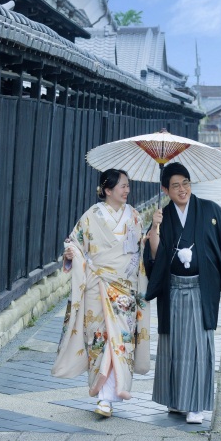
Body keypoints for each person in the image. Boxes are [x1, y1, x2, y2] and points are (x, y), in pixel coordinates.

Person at [144, 163, 221, 424]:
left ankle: (197, 405)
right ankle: (176, 401)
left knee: (200, 346)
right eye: (175, 185)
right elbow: (154, 256)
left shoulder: (210, 210)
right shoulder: (162, 216)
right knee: (174, 346)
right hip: (173, 289)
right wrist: (154, 228)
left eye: (186, 183)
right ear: (165, 189)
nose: (182, 189)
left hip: (202, 289)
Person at [51, 169, 150, 418]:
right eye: (123, 186)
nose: (127, 190)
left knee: (120, 339)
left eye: (128, 186)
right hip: (97, 286)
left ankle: (109, 396)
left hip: (125, 289)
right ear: (108, 190)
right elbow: (73, 241)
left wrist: (152, 233)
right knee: (99, 338)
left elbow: (140, 252)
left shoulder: (135, 217)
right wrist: (72, 253)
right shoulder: (91, 216)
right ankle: (104, 396)